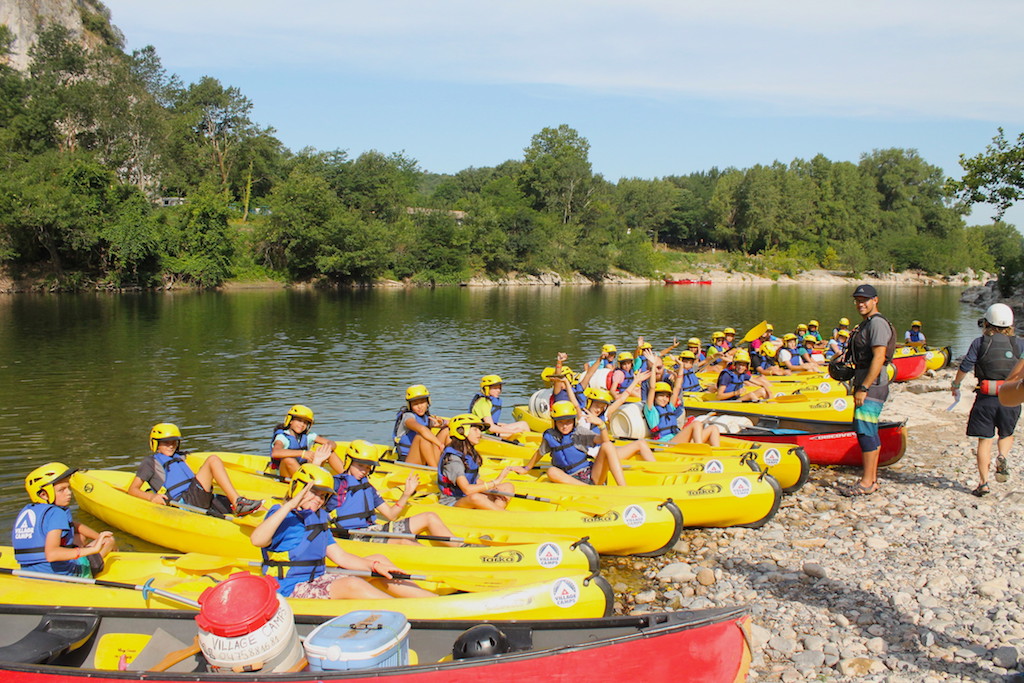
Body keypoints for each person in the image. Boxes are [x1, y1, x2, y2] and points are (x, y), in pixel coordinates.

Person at [251, 464, 432, 599]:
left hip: (318, 578)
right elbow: (257, 540)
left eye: (322, 496)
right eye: (313, 493)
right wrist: (291, 503)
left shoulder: (318, 519)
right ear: (298, 488)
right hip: (290, 588)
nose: (318, 500)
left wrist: (376, 566)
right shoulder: (281, 516)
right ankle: (405, 612)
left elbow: (341, 558)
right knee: (352, 584)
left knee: (379, 561)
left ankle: (429, 601)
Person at [328, 440, 460, 547]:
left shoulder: (368, 488)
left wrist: (406, 493)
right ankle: (439, 557)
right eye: (360, 465)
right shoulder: (336, 484)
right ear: (349, 462)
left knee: (429, 516)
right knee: (404, 541)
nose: (364, 471)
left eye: (368, 467)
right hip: (353, 536)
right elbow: (311, 500)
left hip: (374, 530)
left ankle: (462, 548)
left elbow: (391, 515)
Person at [952, 303, 1023, 496]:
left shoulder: (980, 342)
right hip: (1011, 399)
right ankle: (1002, 456)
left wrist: (956, 385)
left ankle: (984, 484)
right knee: (1006, 434)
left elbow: (965, 366)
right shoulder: (1019, 344)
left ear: (987, 322)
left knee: (985, 440)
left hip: (986, 398)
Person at [128, 423, 263, 516]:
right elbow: (132, 489)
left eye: (174, 442)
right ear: (156, 443)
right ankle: (237, 502)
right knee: (213, 460)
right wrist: (151, 497)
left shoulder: (181, 457)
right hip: (184, 502)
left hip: (199, 497)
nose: (171, 446)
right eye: (166, 443)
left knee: (257, 508)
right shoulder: (150, 463)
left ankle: (274, 519)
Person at [13, 462, 116, 577]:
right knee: (109, 541)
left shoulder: (29, 511)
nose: (69, 493)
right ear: (43, 494)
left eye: (68, 488)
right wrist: (94, 549)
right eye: (62, 490)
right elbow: (52, 554)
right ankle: (88, 569)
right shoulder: (56, 513)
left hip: (30, 572)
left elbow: (74, 525)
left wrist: (97, 536)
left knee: (79, 538)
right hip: (62, 574)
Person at [844, 284, 895, 497]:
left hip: (872, 385)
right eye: (857, 300)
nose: (860, 303)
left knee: (865, 430)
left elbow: (879, 357)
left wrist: (864, 387)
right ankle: (871, 479)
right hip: (867, 382)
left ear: (876, 300)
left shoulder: (877, 324)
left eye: (864, 299)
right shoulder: (867, 324)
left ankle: (867, 481)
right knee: (867, 429)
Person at [516, 401, 629, 486]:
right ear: (554, 422)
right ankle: (587, 488)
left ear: (573, 421)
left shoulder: (579, 433)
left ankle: (622, 487)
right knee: (551, 471)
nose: (565, 426)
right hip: (568, 478)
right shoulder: (550, 436)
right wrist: (526, 468)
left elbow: (604, 441)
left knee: (608, 445)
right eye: (560, 422)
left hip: (590, 475)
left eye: (568, 422)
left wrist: (601, 425)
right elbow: (539, 453)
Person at [437, 414, 515, 510]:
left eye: (479, 430)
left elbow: (474, 479)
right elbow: (467, 490)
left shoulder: (469, 453)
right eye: (475, 430)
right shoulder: (453, 459)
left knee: (508, 487)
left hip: (468, 496)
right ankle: (503, 514)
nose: (479, 433)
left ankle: (494, 512)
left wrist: (493, 490)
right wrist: (494, 482)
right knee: (476, 498)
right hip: (453, 501)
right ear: (461, 432)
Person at [270, 405, 343, 477]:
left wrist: (326, 450)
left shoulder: (308, 435)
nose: (302, 424)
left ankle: (348, 478)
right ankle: (307, 481)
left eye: (305, 422)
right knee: (288, 460)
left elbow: (331, 443)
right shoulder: (282, 437)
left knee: (328, 452)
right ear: (290, 421)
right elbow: (275, 452)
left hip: (304, 469)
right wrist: (302, 453)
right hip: (287, 473)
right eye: (299, 420)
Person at [644, 377, 720, 446]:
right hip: (666, 443)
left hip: (677, 438)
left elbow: (677, 387)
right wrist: (653, 366)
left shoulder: (669, 407)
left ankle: (719, 456)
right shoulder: (651, 410)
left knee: (713, 428)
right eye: (661, 396)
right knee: (696, 424)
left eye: (667, 396)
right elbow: (652, 388)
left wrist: (680, 368)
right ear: (654, 397)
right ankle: (699, 449)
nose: (664, 399)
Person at [393, 385, 448, 467]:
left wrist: (443, 423)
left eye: (422, 402)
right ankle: (435, 471)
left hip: (427, 458)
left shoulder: (427, 417)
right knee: (421, 437)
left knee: (446, 431)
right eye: (415, 404)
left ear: (428, 402)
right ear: (410, 405)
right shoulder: (408, 417)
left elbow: (455, 423)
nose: (420, 406)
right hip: (409, 460)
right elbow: (422, 429)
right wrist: (439, 444)